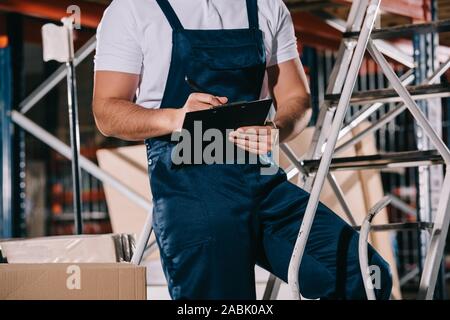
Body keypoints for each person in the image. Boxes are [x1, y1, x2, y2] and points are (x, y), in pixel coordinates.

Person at [93, 0, 392, 300]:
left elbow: (296, 98)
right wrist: (175, 118)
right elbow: (106, 111)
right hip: (192, 192)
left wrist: (277, 129)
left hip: (262, 184)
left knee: (366, 276)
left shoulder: (268, 6)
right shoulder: (133, 9)